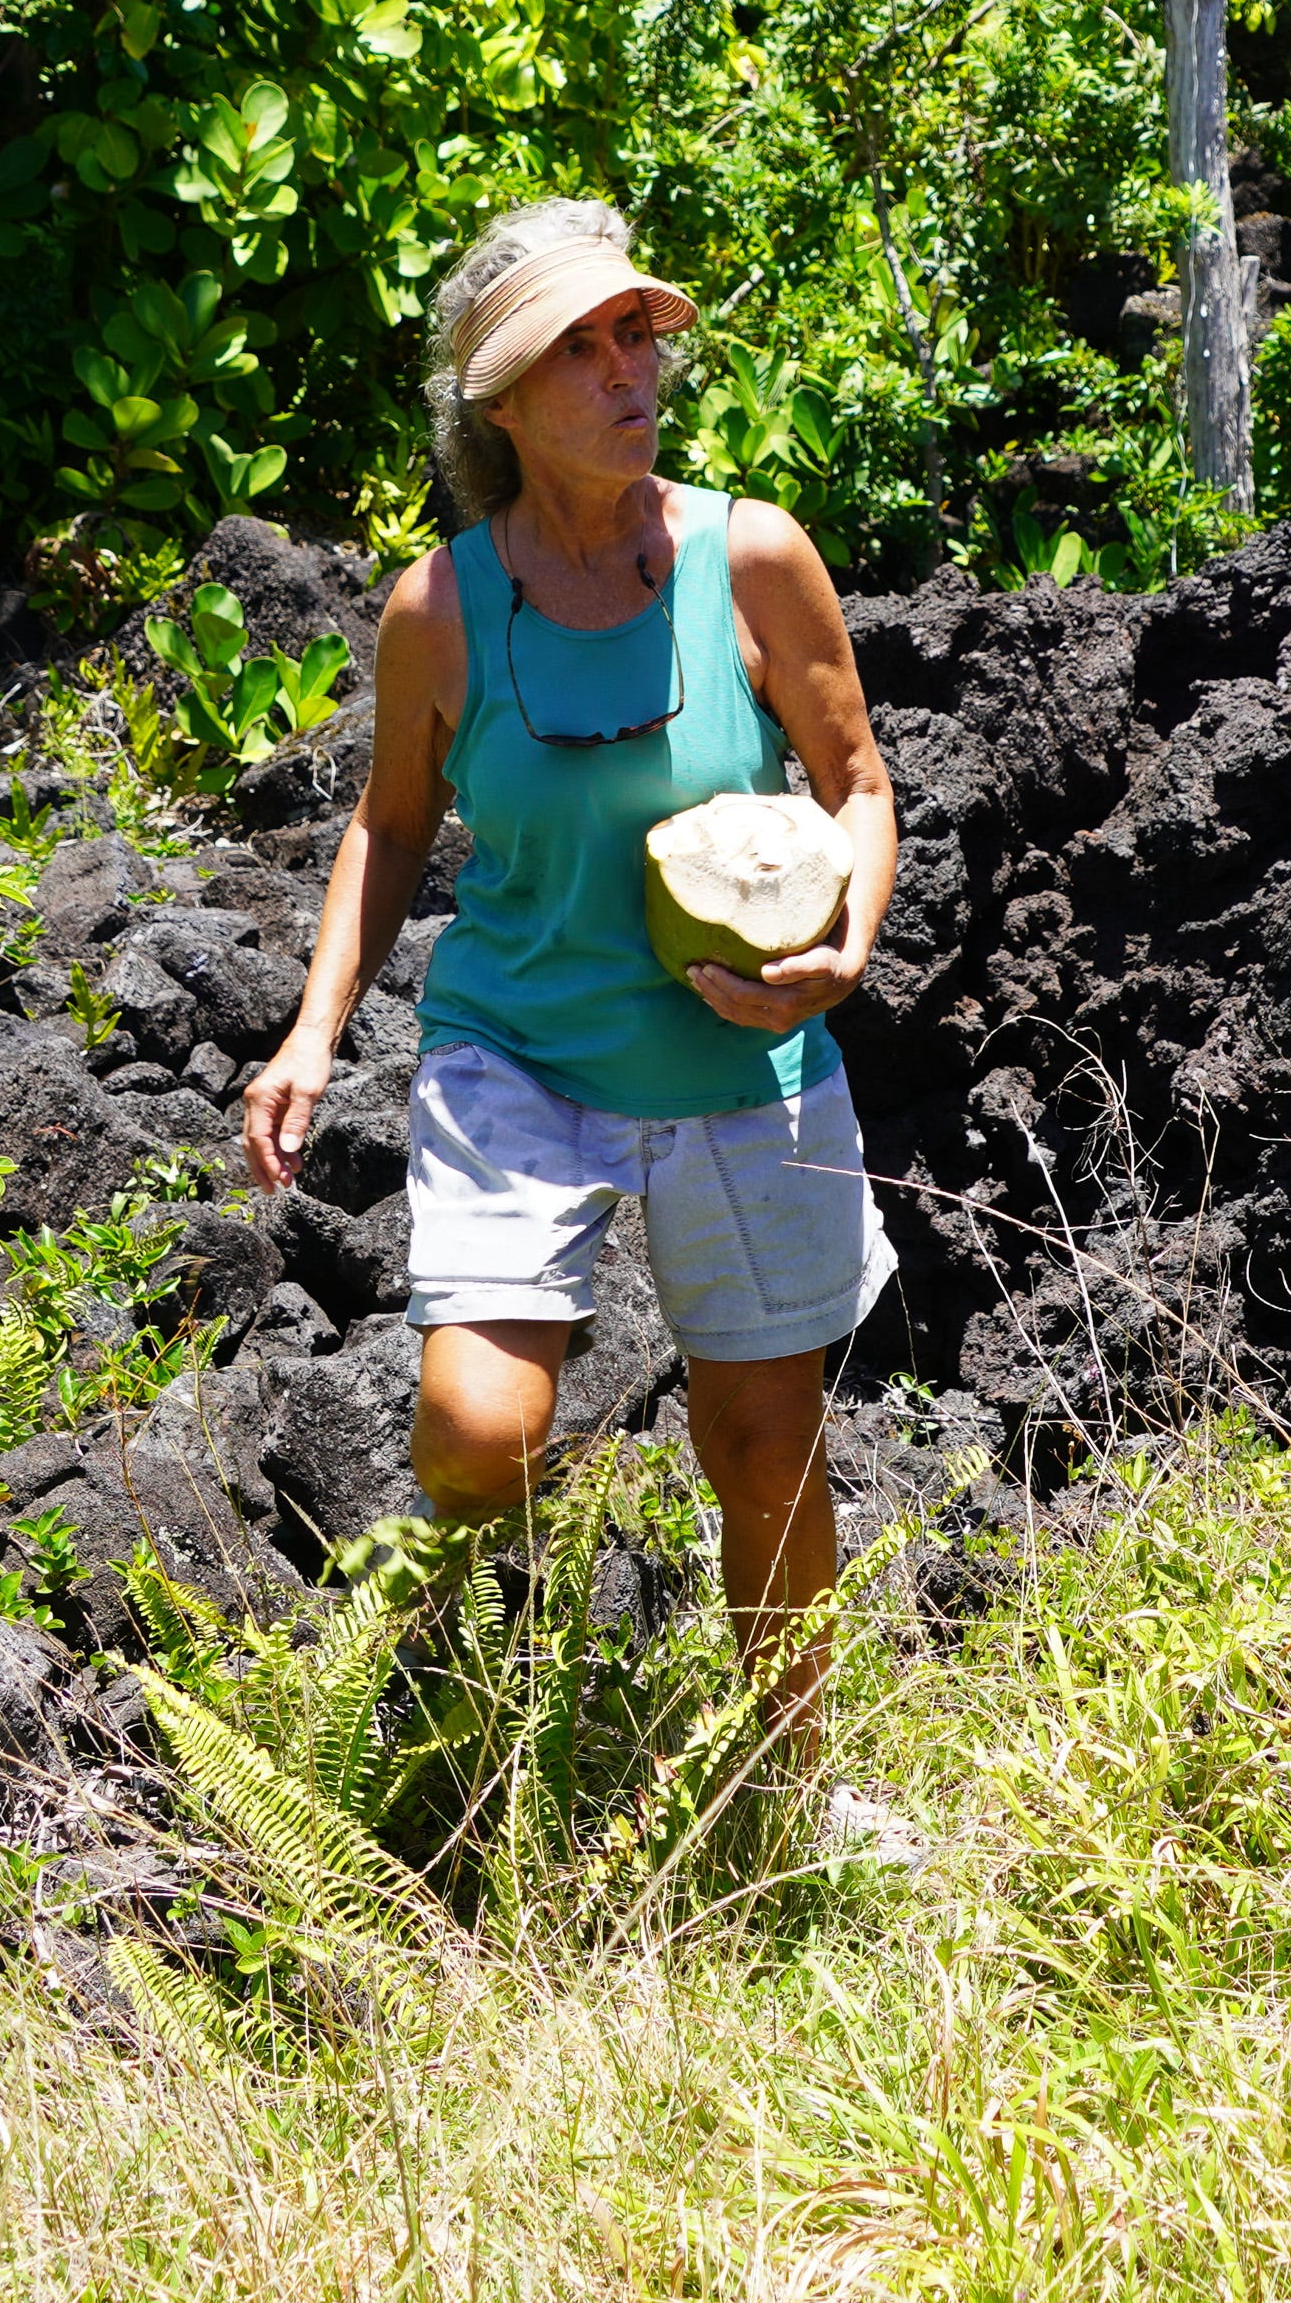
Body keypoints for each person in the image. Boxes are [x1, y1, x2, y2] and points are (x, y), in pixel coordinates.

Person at [238, 196, 898, 1819]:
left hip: (744, 1059)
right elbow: (389, 828)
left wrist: (847, 945)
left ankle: (795, 1790)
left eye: (637, 335)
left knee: (765, 1450)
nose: (629, 369)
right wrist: (316, 1030)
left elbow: (860, 782)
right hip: (516, 1056)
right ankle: (512, 1639)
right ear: (502, 402)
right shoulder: (440, 609)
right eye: (581, 348)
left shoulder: (752, 555)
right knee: (476, 1434)